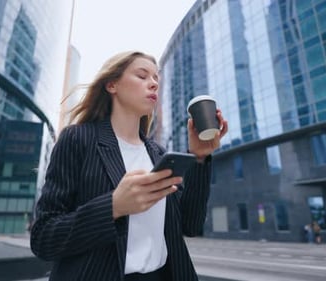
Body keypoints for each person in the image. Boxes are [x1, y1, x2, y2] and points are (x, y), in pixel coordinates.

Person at [30, 51, 228, 281]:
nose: (153, 83)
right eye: (142, 76)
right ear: (112, 84)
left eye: (156, 78)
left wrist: (200, 158)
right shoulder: (78, 139)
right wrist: (113, 206)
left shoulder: (159, 155)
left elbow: (190, 226)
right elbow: (44, 237)